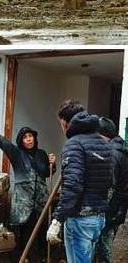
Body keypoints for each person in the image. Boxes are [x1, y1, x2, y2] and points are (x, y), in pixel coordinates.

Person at [46, 100, 113, 263]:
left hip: (80, 219)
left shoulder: (74, 144)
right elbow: (111, 180)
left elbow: (72, 186)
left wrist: (57, 220)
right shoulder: (103, 143)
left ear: (64, 122)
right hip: (98, 218)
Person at [0, 124, 55, 261]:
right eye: (25, 137)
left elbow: (46, 173)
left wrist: (52, 165)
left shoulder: (41, 154)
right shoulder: (17, 154)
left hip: (41, 202)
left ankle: (40, 258)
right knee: (26, 234)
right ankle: (25, 259)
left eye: (30, 136)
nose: (29, 139)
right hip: (24, 203)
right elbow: (6, 144)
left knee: (42, 233)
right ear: (21, 141)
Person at [94, 117, 128, 263]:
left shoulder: (112, 154)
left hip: (109, 209)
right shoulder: (121, 150)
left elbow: (109, 186)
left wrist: (97, 209)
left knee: (103, 249)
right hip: (118, 206)